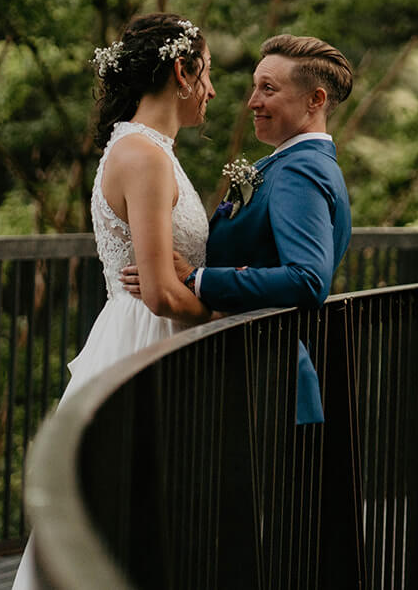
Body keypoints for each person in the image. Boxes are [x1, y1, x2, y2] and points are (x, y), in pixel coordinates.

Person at [11, 12, 216, 590]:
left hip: (150, 337)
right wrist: (223, 310)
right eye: (206, 74)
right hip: (148, 341)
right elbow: (157, 292)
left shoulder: (145, 149)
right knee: (136, 508)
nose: (212, 91)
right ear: (181, 71)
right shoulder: (143, 156)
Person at [122, 33, 354, 423]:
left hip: (267, 382)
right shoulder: (284, 164)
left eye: (268, 89)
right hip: (250, 372)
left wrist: (196, 279)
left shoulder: (302, 170)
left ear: (315, 100)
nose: (253, 102)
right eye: (254, 87)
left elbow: (308, 279)